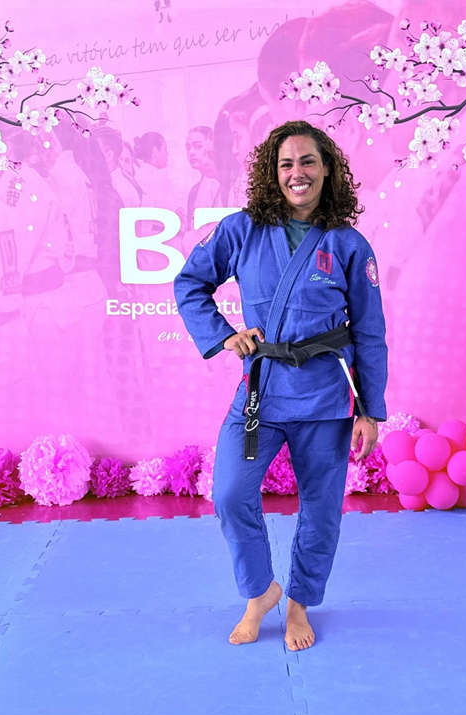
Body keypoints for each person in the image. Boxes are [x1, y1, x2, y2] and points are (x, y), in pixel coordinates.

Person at [175, 120, 388, 651]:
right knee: (230, 493)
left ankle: (298, 605)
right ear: (272, 173)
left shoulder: (348, 243)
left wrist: (370, 410)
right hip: (262, 392)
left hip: (326, 397)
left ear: (327, 169)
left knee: (321, 510)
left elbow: (370, 332)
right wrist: (223, 335)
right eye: (287, 163)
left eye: (308, 161)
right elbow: (190, 282)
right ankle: (260, 592)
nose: (298, 172)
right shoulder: (241, 229)